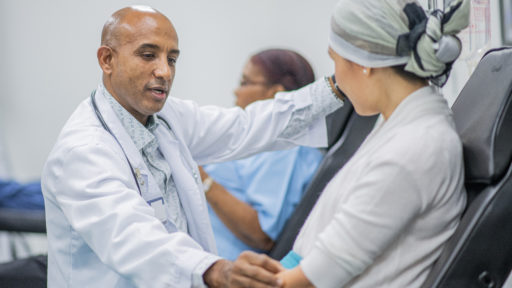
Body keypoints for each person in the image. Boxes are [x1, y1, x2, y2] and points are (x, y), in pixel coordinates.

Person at [41, 5, 344, 288]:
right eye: (148, 55)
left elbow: (244, 127)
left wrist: (335, 88)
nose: (165, 72)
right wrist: (214, 269)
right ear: (107, 60)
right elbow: (134, 238)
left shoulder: (167, 117)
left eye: (171, 59)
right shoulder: (83, 151)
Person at [275, 0, 469, 287]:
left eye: (335, 60)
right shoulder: (402, 125)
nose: (336, 78)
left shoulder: (414, 149)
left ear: (363, 63)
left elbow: (315, 277)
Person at [200, 49, 323, 260]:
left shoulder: (286, 147)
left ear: (276, 93)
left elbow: (262, 233)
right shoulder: (253, 141)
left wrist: (199, 177)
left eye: (245, 82)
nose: (236, 91)